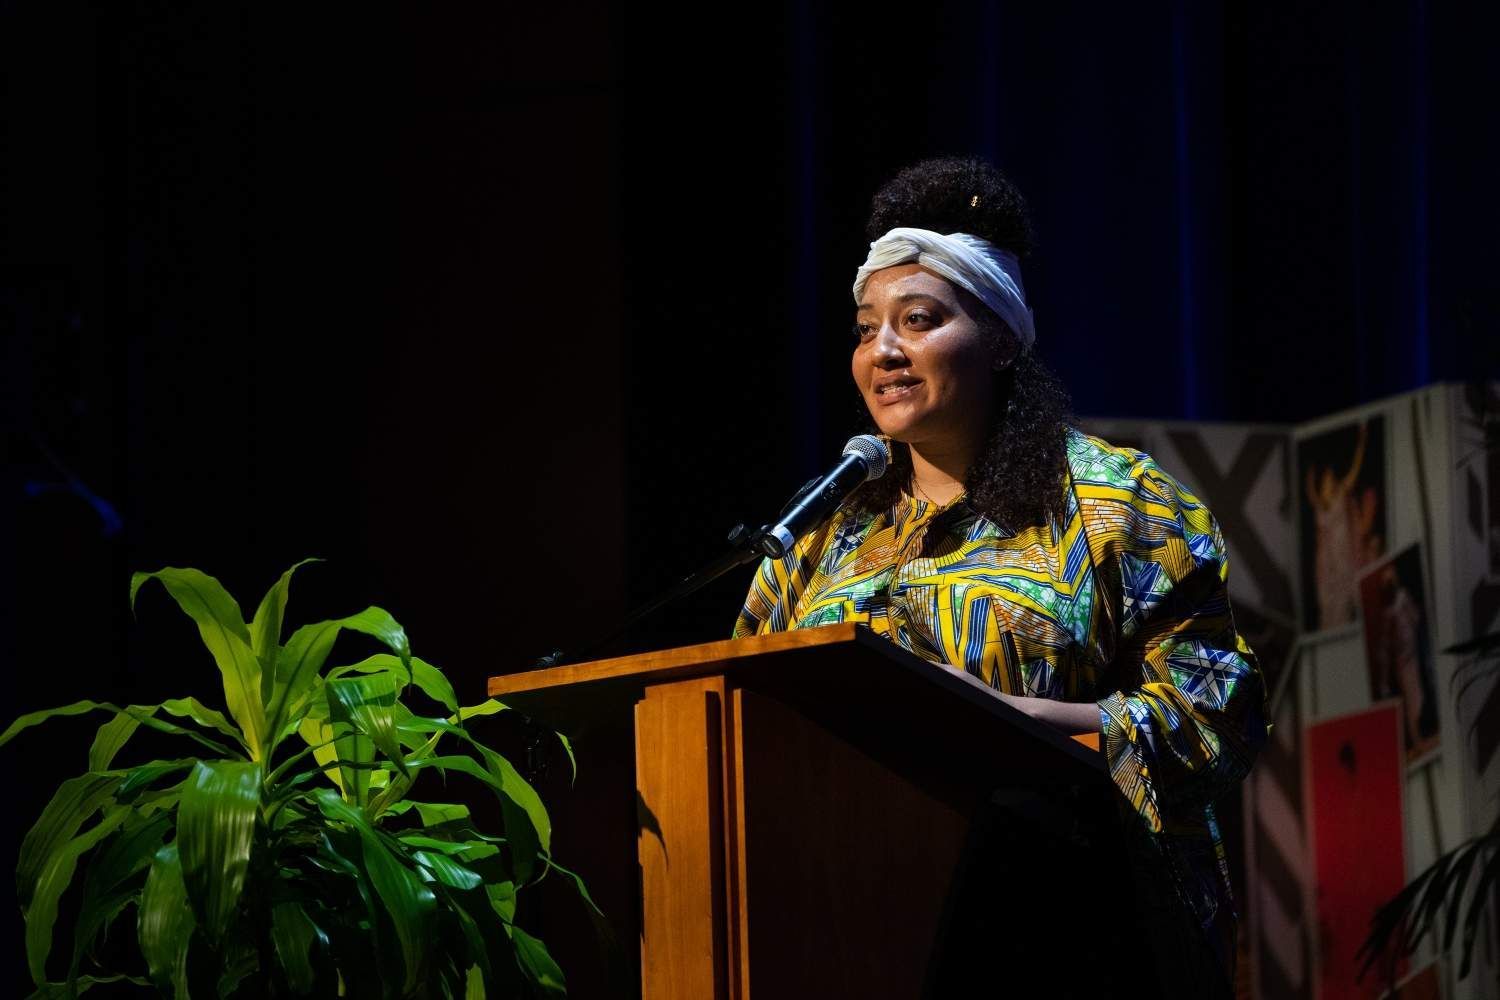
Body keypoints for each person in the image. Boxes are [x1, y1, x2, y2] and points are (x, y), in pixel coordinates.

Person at [733, 157, 1268, 996]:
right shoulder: (824, 532)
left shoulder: (1115, 502)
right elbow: (745, 709)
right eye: (865, 327)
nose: (884, 351)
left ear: (1002, 338)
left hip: (1077, 928)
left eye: (918, 320)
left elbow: (1216, 715)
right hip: (852, 927)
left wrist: (1016, 719)